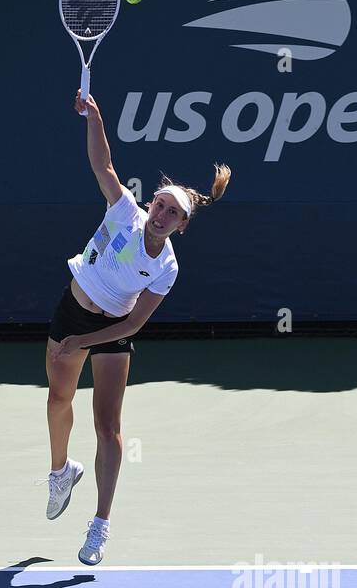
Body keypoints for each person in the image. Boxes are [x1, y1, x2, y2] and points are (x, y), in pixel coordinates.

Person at [44, 90, 231, 564]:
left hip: (111, 331)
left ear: (183, 227)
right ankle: (61, 471)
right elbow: (102, 164)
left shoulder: (166, 268)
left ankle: (100, 524)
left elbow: (134, 322)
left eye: (175, 215)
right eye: (163, 206)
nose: (164, 217)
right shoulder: (124, 210)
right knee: (58, 399)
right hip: (73, 309)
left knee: (107, 426)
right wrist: (95, 117)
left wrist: (83, 341)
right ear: (151, 202)